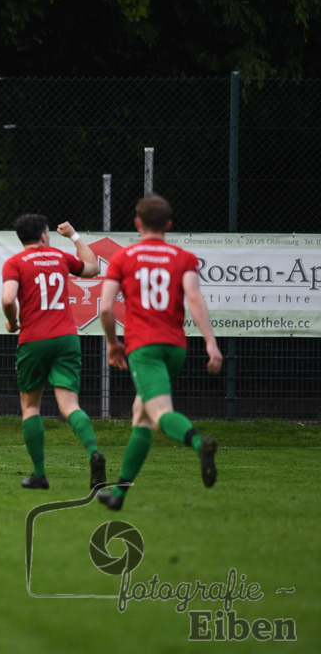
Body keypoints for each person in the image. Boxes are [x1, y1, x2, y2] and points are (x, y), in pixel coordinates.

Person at [98, 194, 222, 511]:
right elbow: (194, 298)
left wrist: (113, 343)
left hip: (144, 347)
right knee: (140, 417)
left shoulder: (124, 258)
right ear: (168, 224)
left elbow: (106, 307)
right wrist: (210, 341)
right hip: (175, 347)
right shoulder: (183, 258)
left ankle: (199, 443)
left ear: (137, 223)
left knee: (159, 414)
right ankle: (119, 496)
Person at [1, 215, 106, 490]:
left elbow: (7, 298)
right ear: (45, 236)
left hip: (34, 340)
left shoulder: (15, 263)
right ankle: (94, 451)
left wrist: (12, 322)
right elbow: (93, 268)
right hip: (66, 338)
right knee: (70, 405)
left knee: (31, 407)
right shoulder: (59, 257)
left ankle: (39, 474)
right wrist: (73, 236)